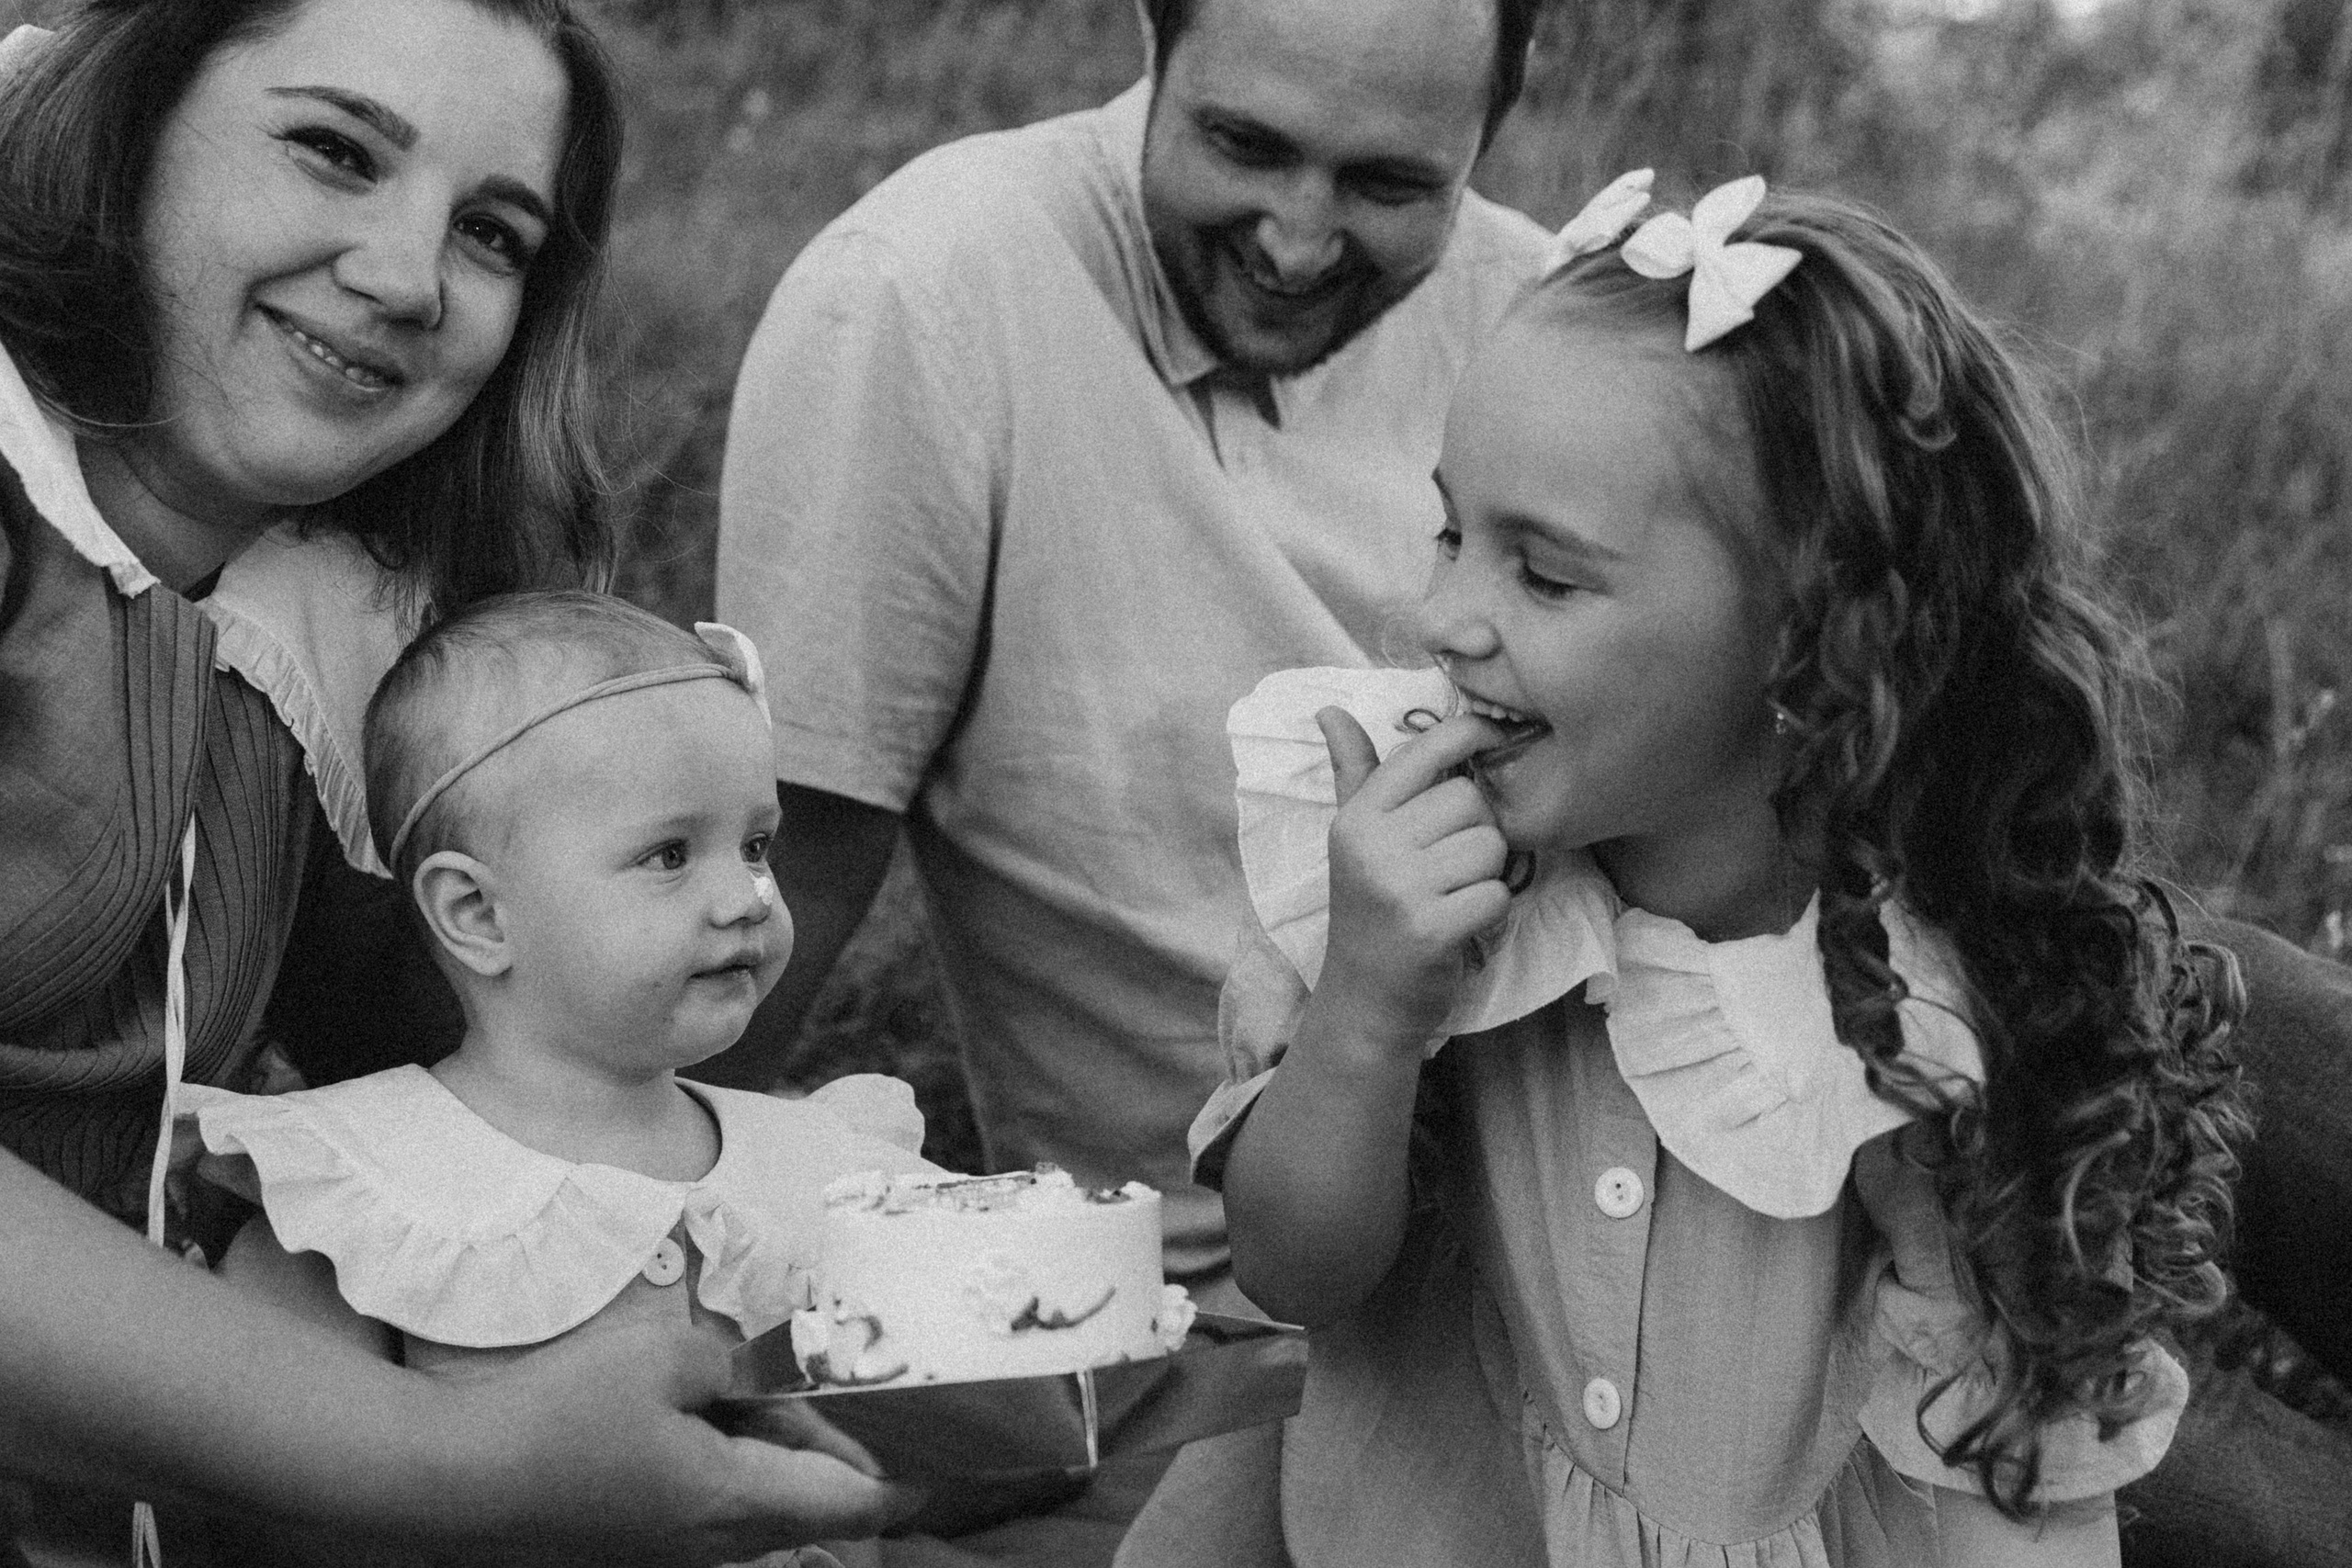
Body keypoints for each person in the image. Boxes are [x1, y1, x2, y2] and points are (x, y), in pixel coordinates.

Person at [1193, 176, 2252, 1565]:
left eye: (1546, 577)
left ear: (1812, 640)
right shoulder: (1423, 866)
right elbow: (1291, 1268)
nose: (1442, 614)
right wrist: (1372, 1007)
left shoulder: (1922, 1020)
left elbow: (2014, 1490)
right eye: (1455, 531)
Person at [0, 2, 910, 1561]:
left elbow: (501, 1090)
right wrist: (446, 1457)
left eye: (491, 233)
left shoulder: (325, 615)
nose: (409, 279)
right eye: (332, 150)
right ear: (126, 118)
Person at [713, 0, 1546, 1557]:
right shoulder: (928, 296)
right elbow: (765, 890)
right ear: (1153, 43)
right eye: (1245, 145)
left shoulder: (1554, 326)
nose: (1299, 241)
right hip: (1187, 1312)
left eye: (1387, 184)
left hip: (1590, 1241)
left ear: (1494, 123)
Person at [168, 592, 937, 1564]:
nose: (746, 896)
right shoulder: (360, 1190)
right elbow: (268, 1494)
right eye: (669, 855)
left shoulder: (823, 1168)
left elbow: (932, 1451)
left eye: (755, 845)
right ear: (479, 916)